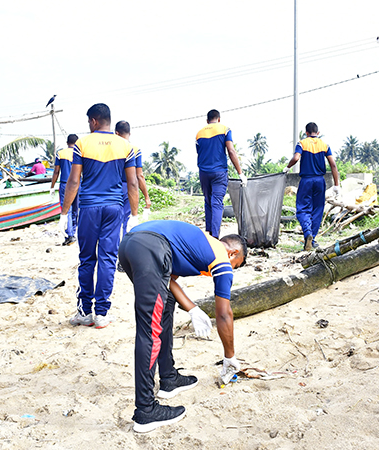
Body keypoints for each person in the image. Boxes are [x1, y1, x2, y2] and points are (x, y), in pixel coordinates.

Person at [118, 220, 247, 433]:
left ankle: (169, 378)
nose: (232, 270)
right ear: (233, 253)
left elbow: (167, 280)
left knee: (166, 304)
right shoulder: (222, 259)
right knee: (149, 330)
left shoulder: (197, 245)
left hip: (132, 244)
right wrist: (229, 357)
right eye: (237, 265)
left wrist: (191, 308)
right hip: (150, 247)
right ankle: (145, 411)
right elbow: (224, 314)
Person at [59, 103, 139, 329]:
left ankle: (85, 311)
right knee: (107, 259)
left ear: (94, 121)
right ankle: (102, 313)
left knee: (87, 259)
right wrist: (134, 213)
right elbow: (132, 182)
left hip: (89, 208)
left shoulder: (82, 144)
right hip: (114, 209)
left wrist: (64, 213)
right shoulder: (125, 145)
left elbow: (74, 181)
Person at [283, 122, 340, 251]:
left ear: (306, 133)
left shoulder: (302, 143)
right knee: (317, 210)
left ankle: (307, 232)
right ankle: (312, 239)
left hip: (306, 180)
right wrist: (337, 185)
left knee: (303, 208)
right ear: (318, 133)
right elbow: (333, 165)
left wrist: (287, 167)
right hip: (320, 181)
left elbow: (296, 158)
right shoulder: (324, 145)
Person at [195, 109, 246, 238]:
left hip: (204, 172)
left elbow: (199, 152)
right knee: (217, 202)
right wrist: (240, 173)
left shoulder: (199, 134)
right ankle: (215, 237)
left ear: (207, 121)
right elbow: (231, 151)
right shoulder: (224, 129)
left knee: (208, 202)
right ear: (219, 119)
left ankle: (208, 234)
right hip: (219, 172)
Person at [114, 120, 151, 236]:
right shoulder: (135, 149)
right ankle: (125, 248)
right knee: (128, 220)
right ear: (129, 133)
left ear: (116, 133)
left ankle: (112, 250)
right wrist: (146, 197)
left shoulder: (112, 149)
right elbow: (139, 176)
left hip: (112, 187)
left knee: (112, 221)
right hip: (129, 187)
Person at [50, 134, 79, 246]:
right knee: (76, 209)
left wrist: (52, 186)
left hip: (65, 184)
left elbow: (56, 171)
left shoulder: (61, 153)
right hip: (78, 184)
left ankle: (70, 234)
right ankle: (73, 232)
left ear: (67, 142)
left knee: (68, 209)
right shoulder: (79, 153)